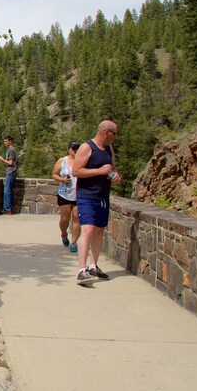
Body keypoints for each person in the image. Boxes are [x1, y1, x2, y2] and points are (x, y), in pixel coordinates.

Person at [73, 120, 119, 286]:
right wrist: (98, 171)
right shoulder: (87, 147)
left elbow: (112, 167)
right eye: (114, 134)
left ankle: (93, 265)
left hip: (103, 195)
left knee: (99, 230)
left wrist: (114, 175)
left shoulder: (108, 149)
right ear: (106, 132)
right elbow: (76, 170)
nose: (115, 138)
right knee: (88, 229)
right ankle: (81, 270)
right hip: (87, 195)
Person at [52, 140, 81, 252]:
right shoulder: (62, 161)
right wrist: (62, 179)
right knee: (65, 219)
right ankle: (64, 234)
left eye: (78, 148)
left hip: (79, 195)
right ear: (69, 149)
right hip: (64, 194)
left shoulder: (83, 161)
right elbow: (54, 174)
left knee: (76, 218)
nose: (76, 150)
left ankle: (74, 243)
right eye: (74, 148)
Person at [0, 135, 18, 214]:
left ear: (10, 141)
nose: (4, 143)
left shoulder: (11, 150)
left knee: (7, 191)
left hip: (10, 172)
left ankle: (7, 209)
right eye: (4, 141)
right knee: (9, 191)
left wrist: (2, 159)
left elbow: (10, 162)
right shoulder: (10, 150)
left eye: (6, 141)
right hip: (12, 172)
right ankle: (10, 209)